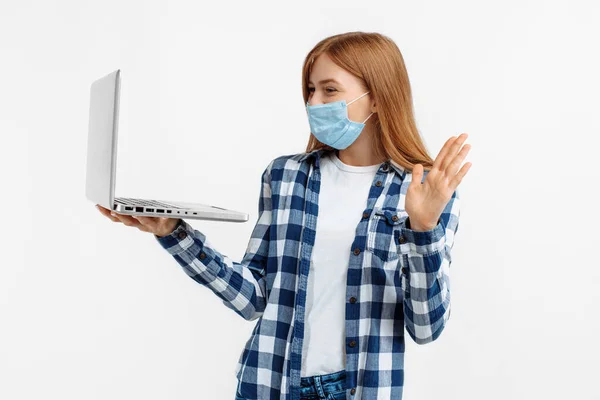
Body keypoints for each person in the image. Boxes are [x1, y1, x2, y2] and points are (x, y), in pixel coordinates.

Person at [97, 31, 471, 400]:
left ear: (375, 98)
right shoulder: (285, 176)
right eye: (310, 90)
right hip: (269, 384)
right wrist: (173, 232)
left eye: (329, 90)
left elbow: (425, 327)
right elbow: (255, 297)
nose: (314, 102)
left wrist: (423, 229)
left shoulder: (425, 192)